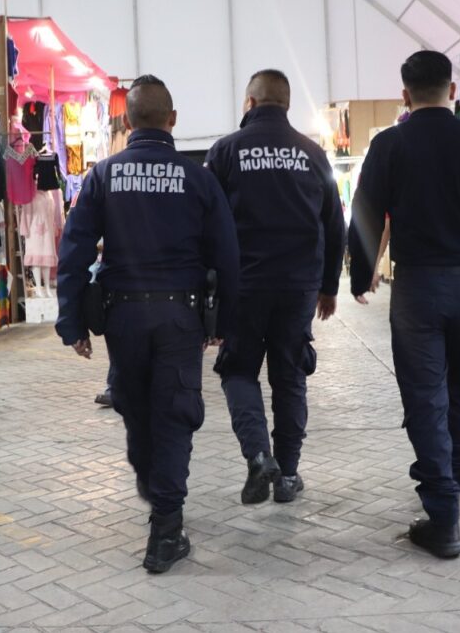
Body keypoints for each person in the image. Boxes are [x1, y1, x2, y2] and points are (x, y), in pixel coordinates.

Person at [348, 51, 460, 559]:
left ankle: (443, 513)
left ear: (405, 95)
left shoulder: (389, 145)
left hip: (415, 292)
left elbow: (365, 212)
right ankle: (454, 473)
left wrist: (361, 275)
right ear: (453, 91)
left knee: (425, 397)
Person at [56, 75, 239, 574]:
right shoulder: (199, 179)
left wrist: (72, 322)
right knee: (174, 414)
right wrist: (225, 321)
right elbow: (228, 256)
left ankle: (157, 496)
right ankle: (166, 528)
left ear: (126, 120)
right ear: (172, 119)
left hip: (124, 317)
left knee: (136, 408)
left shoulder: (102, 176)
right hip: (181, 317)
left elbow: (73, 251)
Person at [205, 69, 345, 505]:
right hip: (298, 287)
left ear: (249, 102)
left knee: (238, 370)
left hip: (244, 287)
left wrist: (210, 291)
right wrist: (329, 286)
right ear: (287, 105)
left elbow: (207, 225)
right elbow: (334, 223)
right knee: (290, 377)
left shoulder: (226, 151)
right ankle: (287, 476)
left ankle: (258, 456)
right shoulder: (312, 153)